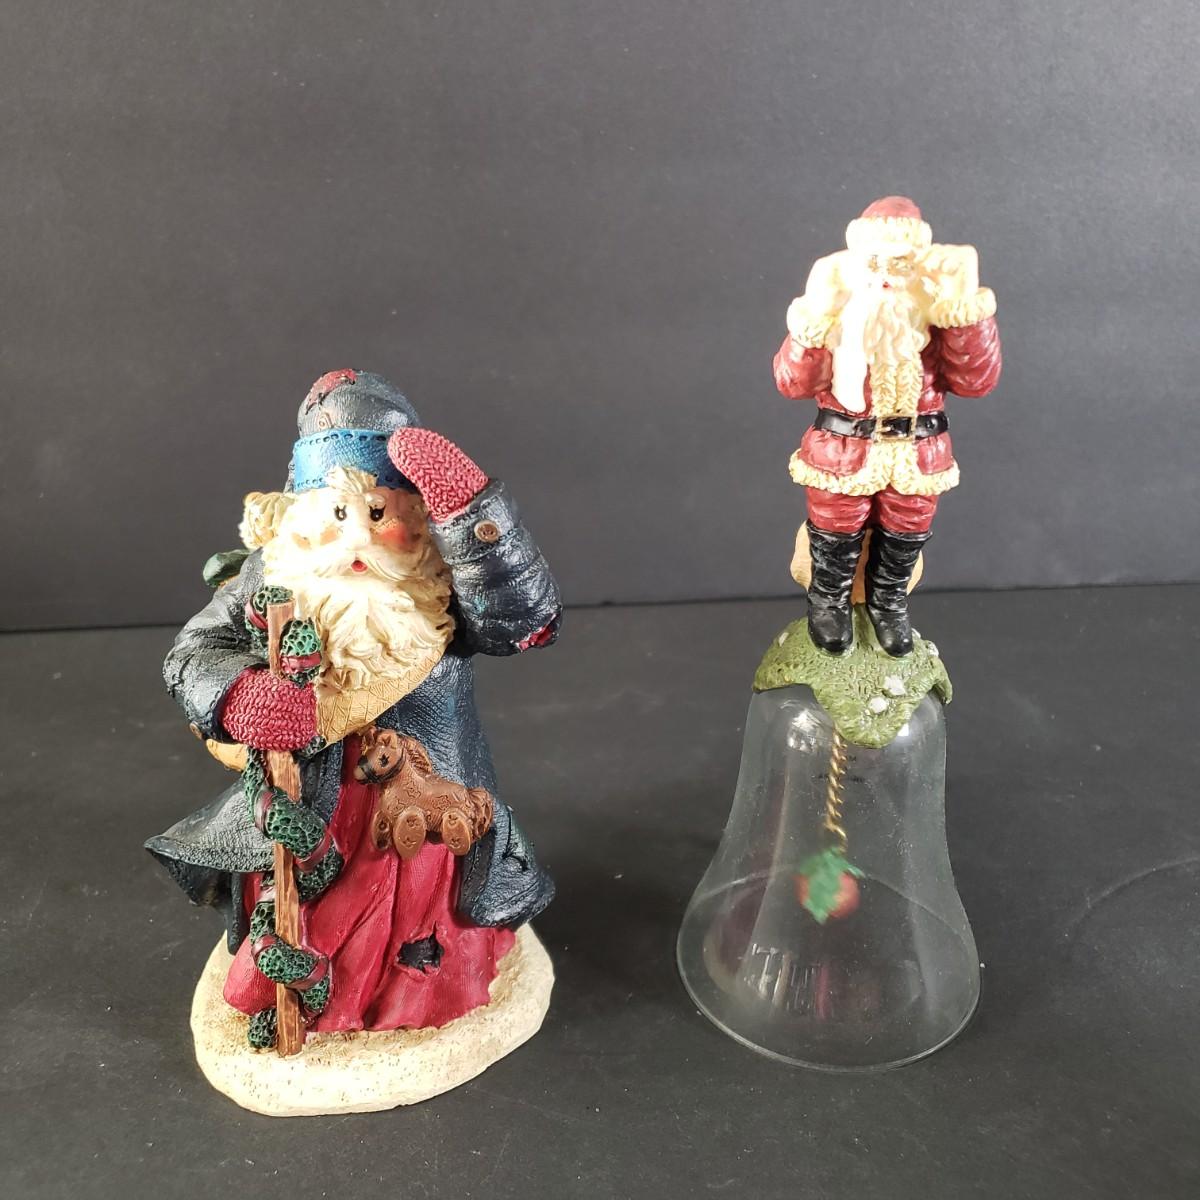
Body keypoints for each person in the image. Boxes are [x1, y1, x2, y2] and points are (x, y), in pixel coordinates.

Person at [147, 369, 560, 1047]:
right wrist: (239, 694)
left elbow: (524, 621)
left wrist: (475, 518)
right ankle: (309, 999)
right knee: (300, 914)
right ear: (302, 515)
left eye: (379, 513)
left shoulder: (442, 580)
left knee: (426, 929)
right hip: (312, 803)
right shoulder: (273, 576)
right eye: (339, 515)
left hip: (428, 807)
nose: (360, 538)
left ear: (418, 517)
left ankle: (411, 1006)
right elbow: (193, 652)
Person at [774, 197, 1002, 656]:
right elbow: (793, 382)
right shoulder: (839, 318)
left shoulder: (934, 320)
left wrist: (964, 305)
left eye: (900, 264)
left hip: (917, 452)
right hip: (842, 448)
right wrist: (814, 314)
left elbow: (976, 381)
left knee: (907, 527)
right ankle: (828, 601)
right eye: (874, 262)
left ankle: (890, 603)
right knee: (836, 525)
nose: (885, 276)